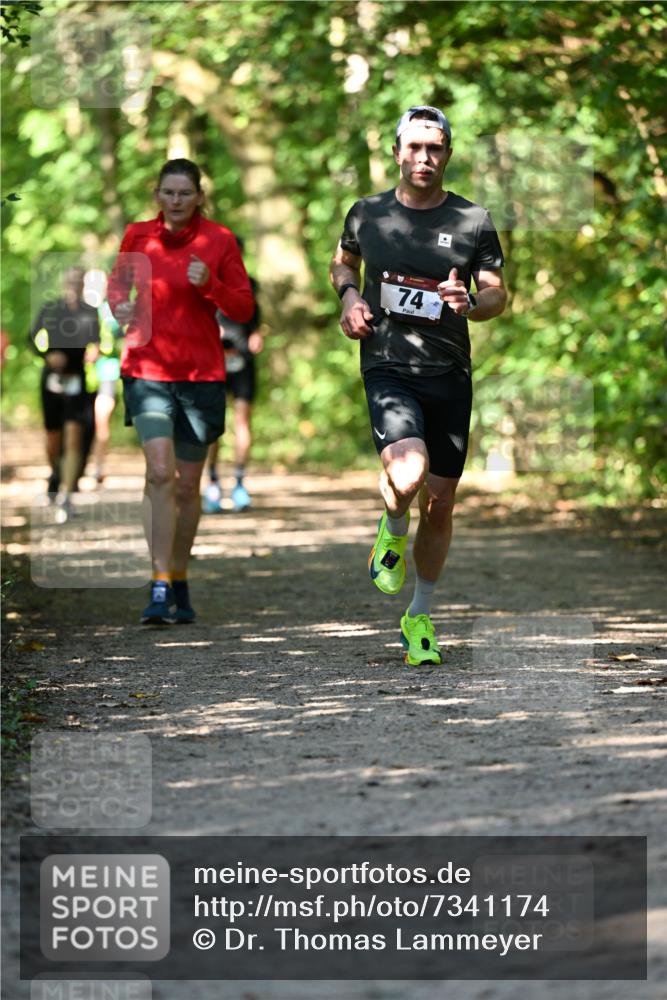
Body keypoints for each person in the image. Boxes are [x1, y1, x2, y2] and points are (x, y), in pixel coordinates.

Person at [330, 106, 507, 666]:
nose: (424, 158)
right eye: (415, 147)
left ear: (447, 155)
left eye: (435, 148)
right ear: (397, 152)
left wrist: (471, 303)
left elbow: (499, 294)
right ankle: (391, 524)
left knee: (443, 500)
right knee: (407, 472)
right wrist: (350, 297)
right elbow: (343, 264)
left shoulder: (473, 220)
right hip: (386, 365)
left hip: (449, 372)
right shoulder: (367, 213)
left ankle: (419, 614)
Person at [107, 158, 254, 625]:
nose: (175, 202)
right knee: (158, 472)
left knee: (189, 485)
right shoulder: (137, 236)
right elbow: (117, 289)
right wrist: (121, 308)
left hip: (201, 376)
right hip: (146, 370)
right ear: (157, 195)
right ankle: (158, 583)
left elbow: (244, 306)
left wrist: (209, 284)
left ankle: (179, 574)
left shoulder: (220, 240)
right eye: (168, 193)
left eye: (184, 194)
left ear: (198, 197)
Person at [29, 266, 100, 523]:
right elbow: (31, 337)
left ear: (83, 285)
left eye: (79, 282)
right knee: (53, 437)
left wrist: (95, 351)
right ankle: (55, 474)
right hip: (52, 380)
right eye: (71, 281)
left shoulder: (90, 312)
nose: (75, 286)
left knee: (74, 437)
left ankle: (67, 496)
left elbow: (96, 342)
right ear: (64, 284)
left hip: (77, 380)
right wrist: (47, 356)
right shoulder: (51, 308)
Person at [203, 254, 262, 514]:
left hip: (242, 364)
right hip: (214, 363)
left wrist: (254, 339)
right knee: (213, 425)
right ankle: (212, 481)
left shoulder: (249, 285)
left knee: (242, 423)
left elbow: (255, 325)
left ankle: (239, 481)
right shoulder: (208, 283)